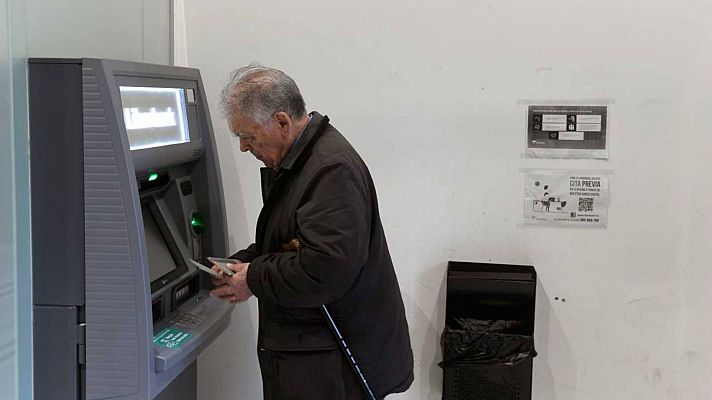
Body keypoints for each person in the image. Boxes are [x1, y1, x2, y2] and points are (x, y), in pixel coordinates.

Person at [209, 63, 414, 400]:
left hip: (337, 362)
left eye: (247, 135)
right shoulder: (300, 161)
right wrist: (244, 262)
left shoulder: (330, 170)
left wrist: (255, 278)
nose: (245, 147)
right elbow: (291, 240)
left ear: (281, 122)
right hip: (319, 353)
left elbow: (326, 267)